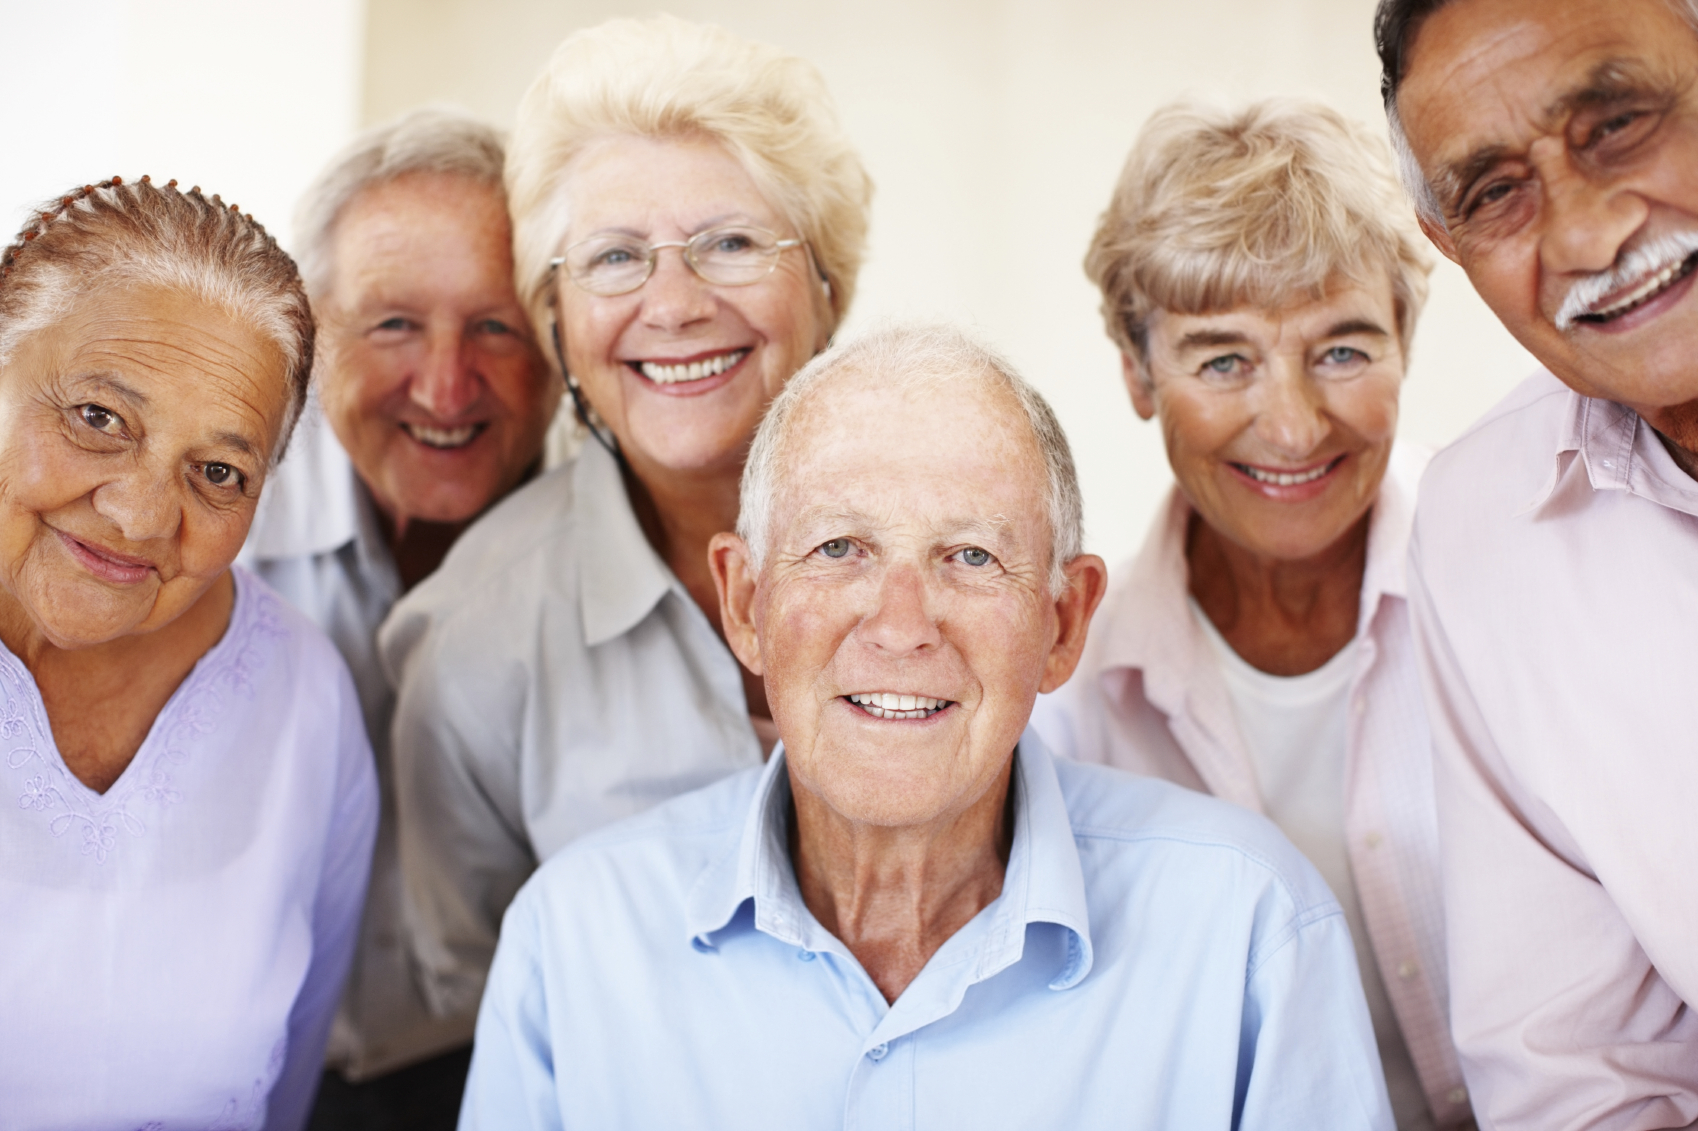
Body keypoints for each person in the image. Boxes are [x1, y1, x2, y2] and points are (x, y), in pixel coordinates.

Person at [458, 323, 1393, 1129]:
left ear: (1063, 622)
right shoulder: (574, 939)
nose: (902, 624)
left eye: (971, 556)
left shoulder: (1247, 928)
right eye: (838, 548)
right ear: (746, 602)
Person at [378, 14, 872, 1035]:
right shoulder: (472, 642)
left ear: (827, 287)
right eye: (613, 259)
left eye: (730, 244)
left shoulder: (978, 542)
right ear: (556, 316)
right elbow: (487, 1018)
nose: (674, 303)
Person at [1032, 101, 1469, 1130]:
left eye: (1344, 351)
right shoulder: (1070, 689)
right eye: (1223, 359)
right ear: (1140, 375)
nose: (1291, 424)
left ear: (1407, 337)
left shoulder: (1521, 591)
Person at [1376, 0, 1698, 1125]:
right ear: (1446, 245)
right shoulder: (1483, 524)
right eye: (1495, 192)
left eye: (1618, 123)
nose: (1587, 233)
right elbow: (1578, 1069)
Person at [0, 177, 376, 1129]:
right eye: (96, 417)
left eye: (218, 472)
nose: (138, 515)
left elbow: (284, 1089)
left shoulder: (304, 701)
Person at [239, 108, 557, 1128]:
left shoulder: (619, 554)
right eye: (393, 324)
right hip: (250, 1080)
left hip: (509, 1076)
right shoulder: (210, 531)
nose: (445, 385)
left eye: (497, 326)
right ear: (311, 332)